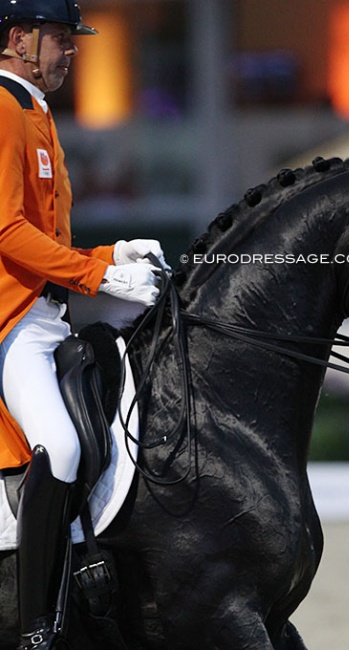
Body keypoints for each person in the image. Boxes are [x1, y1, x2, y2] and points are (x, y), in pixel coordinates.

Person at [0, 2, 169, 648]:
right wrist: (98, 279)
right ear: (20, 39)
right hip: (9, 322)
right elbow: (7, 232)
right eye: (60, 40)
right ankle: (37, 626)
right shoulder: (2, 110)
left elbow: (47, 241)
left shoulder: (35, 115)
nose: (72, 52)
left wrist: (110, 255)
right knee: (63, 447)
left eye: (72, 40)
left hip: (47, 316)